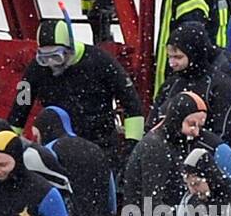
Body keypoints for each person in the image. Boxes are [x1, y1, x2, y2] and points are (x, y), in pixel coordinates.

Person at [8, 17, 145, 164]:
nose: (51, 64)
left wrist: (132, 145)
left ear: (70, 48)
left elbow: (132, 104)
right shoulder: (36, 69)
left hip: (99, 145)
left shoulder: (100, 61)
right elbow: (19, 110)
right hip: (55, 149)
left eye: (56, 57)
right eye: (44, 58)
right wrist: (8, 147)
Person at [153, 20, 231, 159]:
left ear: (194, 54)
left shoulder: (221, 86)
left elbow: (223, 137)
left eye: (178, 57)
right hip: (168, 159)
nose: (172, 63)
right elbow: (152, 125)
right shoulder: (171, 84)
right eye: (169, 57)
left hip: (206, 163)